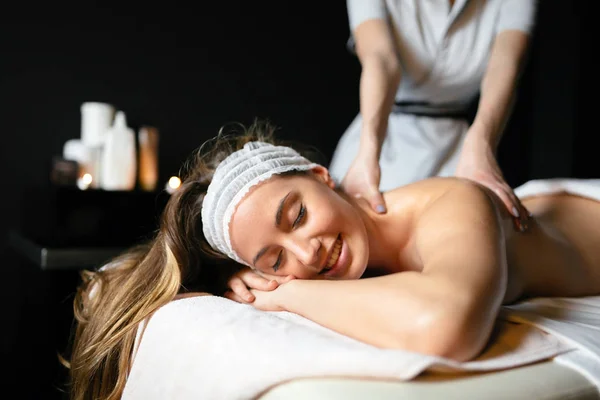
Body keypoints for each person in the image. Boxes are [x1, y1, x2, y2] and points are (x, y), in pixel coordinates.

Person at [64, 122, 600, 400]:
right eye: (274, 259)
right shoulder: (344, 265)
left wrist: (286, 292)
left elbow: (447, 326)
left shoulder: (454, 201)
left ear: (323, 177)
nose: (307, 253)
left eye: (296, 215)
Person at [328, 0, 537, 232]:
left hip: (462, 152)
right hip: (379, 139)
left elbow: (506, 65)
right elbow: (381, 59)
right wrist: (367, 154)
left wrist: (481, 147)